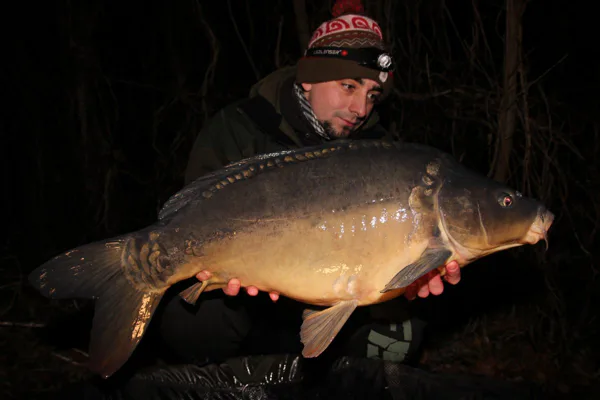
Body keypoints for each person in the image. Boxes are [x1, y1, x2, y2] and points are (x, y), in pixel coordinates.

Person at [153, 0, 461, 371]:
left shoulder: (380, 153)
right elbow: (192, 212)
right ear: (309, 78)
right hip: (249, 307)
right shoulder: (241, 128)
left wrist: (411, 281)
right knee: (191, 321)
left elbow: (379, 267)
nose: (361, 109)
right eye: (349, 86)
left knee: (403, 331)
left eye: (371, 95)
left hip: (337, 302)